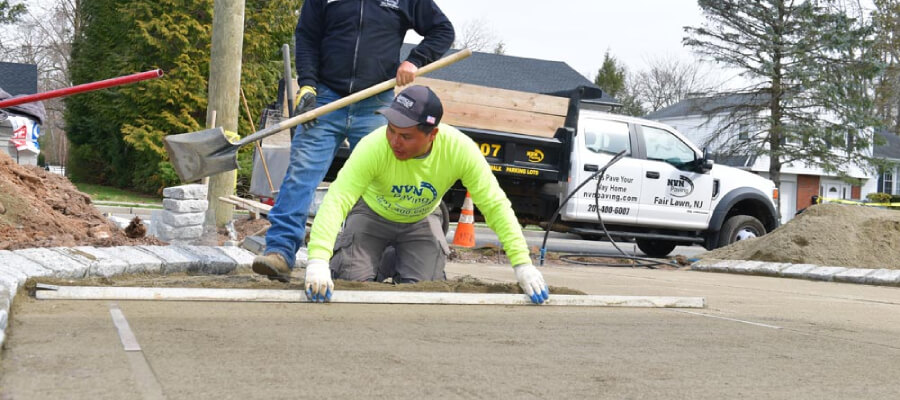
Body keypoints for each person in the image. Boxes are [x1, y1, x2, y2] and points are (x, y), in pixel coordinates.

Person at [252, 0, 455, 282]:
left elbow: (443, 30)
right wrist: (307, 84)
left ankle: (395, 257)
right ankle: (280, 252)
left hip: (376, 101)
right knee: (301, 176)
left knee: (387, 179)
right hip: (325, 98)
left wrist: (414, 60)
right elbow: (307, 36)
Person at [302, 85, 551, 304]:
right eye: (391, 130)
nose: (394, 141)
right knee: (351, 284)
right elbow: (337, 199)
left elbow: (495, 205)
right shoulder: (373, 146)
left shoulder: (460, 150)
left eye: (406, 136)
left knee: (424, 294)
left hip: (421, 219)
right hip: (371, 215)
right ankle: (377, 257)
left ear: (432, 134)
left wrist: (522, 265)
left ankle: (394, 256)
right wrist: (318, 260)